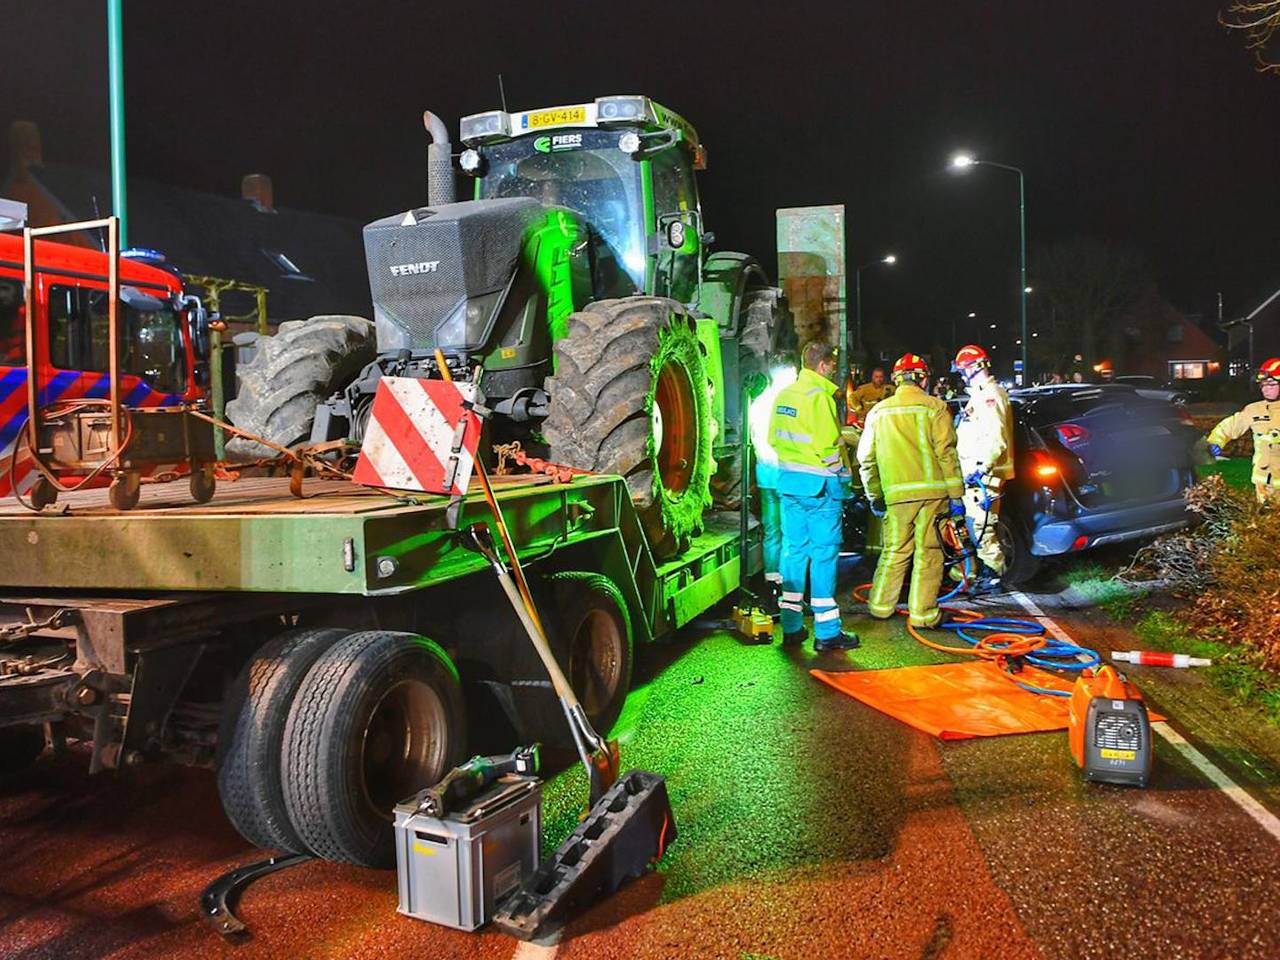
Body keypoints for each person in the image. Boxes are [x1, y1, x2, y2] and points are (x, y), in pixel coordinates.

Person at [857, 353, 964, 628]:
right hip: (933, 494)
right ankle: (923, 614)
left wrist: (875, 494)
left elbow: (866, 458)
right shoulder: (935, 407)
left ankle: (880, 606)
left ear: (896, 379)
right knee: (929, 552)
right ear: (923, 378)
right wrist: (956, 496)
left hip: (896, 496)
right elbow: (946, 453)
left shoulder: (878, 412)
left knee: (894, 550)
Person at [768, 340, 860, 651]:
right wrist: (843, 476)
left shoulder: (784, 395)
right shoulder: (820, 398)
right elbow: (828, 447)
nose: (834, 369)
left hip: (790, 487)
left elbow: (773, 439)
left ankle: (792, 628)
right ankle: (827, 633)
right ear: (821, 365)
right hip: (820, 491)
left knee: (794, 553)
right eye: (832, 364)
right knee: (823, 556)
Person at [952, 345, 1015, 589]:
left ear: (975, 367)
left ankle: (995, 575)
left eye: (963, 370)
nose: (961, 375)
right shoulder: (981, 395)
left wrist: (980, 467)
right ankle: (987, 572)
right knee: (976, 524)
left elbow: (995, 438)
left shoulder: (990, 396)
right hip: (975, 474)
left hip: (983, 476)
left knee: (982, 526)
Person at [748, 350, 798, 608]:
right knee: (791, 533)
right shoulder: (791, 401)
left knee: (771, 532)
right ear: (790, 371)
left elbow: (756, 439)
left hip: (766, 475)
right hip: (788, 475)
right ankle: (790, 591)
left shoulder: (759, 401)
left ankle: (772, 586)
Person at [1207, 357, 1280, 505]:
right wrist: (1215, 441)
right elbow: (1230, 426)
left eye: (1271, 384)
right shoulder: (1254, 410)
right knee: (1265, 521)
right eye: (1263, 385)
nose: (1266, 389)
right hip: (1262, 479)